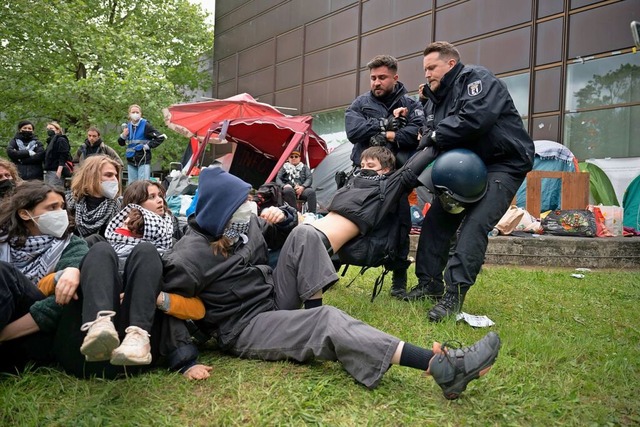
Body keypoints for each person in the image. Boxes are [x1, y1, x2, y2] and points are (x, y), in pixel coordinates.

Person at [161, 166, 502, 399]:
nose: (249, 206)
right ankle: (441, 366)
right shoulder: (187, 258)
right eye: (241, 203)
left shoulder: (241, 226)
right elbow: (168, 306)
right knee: (327, 321)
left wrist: (286, 217)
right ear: (221, 210)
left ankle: (311, 317)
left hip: (271, 297)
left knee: (306, 234)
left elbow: (278, 236)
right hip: (243, 326)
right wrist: (185, 360)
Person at [406, 41, 535, 322]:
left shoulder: (476, 79)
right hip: (467, 167)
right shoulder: (435, 98)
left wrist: (436, 135)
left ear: (450, 64)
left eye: (431, 67)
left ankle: (454, 294)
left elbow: (475, 118)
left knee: (474, 225)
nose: (426, 74)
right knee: (437, 220)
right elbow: (429, 130)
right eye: (424, 69)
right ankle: (429, 284)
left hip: (504, 164)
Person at [344, 55, 424, 298]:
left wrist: (387, 135)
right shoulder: (360, 102)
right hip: (362, 178)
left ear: (395, 77)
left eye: (382, 77)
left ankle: (399, 280)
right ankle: (329, 269)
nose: (376, 82)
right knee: (348, 221)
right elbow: (353, 131)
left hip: (397, 177)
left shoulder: (411, 104)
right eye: (373, 78)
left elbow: (415, 133)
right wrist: (388, 123)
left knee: (401, 226)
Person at [0, 181, 89, 371]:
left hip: (34, 333)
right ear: (25, 213)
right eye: (52, 207)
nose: (61, 213)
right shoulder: (3, 242)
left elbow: (58, 304)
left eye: (62, 207)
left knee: (4, 273)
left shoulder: (72, 245)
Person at [66, 155, 122, 241]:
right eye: (109, 175)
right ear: (91, 177)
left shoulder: (119, 207)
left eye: (116, 176)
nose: (115, 180)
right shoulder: (69, 203)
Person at [117, 104, 166, 183]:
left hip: (143, 159)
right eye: (133, 112)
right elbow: (121, 143)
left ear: (141, 114)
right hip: (131, 159)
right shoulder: (127, 126)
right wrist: (123, 135)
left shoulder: (146, 125)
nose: (135, 114)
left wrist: (148, 146)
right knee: (132, 185)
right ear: (129, 114)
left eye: (137, 112)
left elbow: (161, 137)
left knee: (142, 184)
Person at [43, 121, 72, 187]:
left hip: (56, 170)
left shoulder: (61, 140)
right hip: (49, 169)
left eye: (51, 129)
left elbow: (63, 155)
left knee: (55, 189)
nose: (49, 131)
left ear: (58, 130)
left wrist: (59, 170)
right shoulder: (50, 141)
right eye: (48, 129)